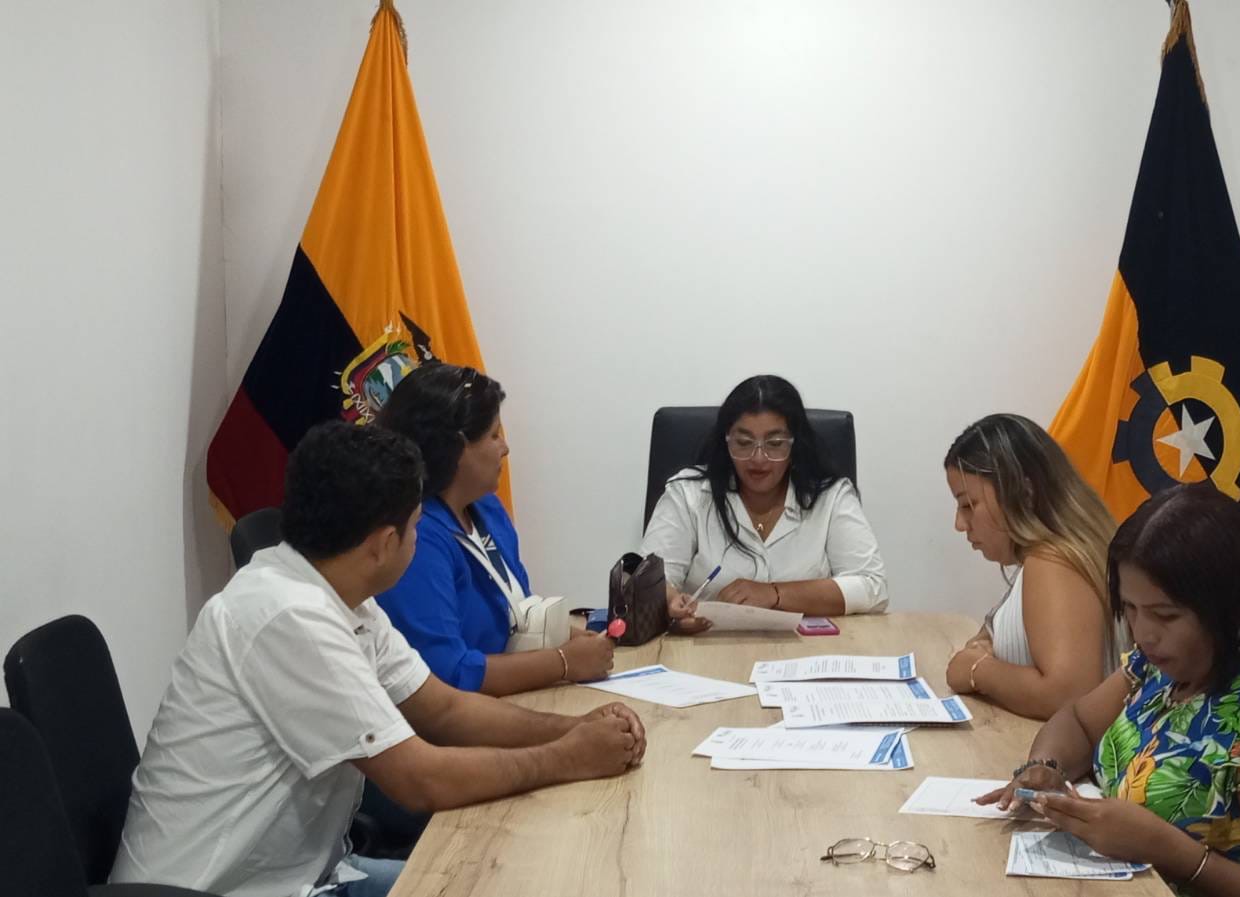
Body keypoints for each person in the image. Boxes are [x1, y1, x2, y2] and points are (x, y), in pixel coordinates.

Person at [110, 422, 646, 897]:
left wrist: (575, 729)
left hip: (309, 875)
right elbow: (420, 779)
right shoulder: (287, 615)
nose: (418, 540)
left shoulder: (340, 593)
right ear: (385, 543)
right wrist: (567, 757)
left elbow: (444, 709)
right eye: (415, 527)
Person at [978, 484, 1240, 897]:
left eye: (1165, 615)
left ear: (1228, 606)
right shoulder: (1157, 666)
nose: (1143, 634)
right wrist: (1047, 765)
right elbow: (1077, 722)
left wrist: (1173, 852)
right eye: (1131, 609)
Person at [375, 363, 614, 695]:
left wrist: (570, 639)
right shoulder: (417, 539)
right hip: (462, 716)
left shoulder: (487, 507)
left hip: (518, 698)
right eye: (493, 435)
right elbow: (446, 674)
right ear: (457, 448)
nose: (505, 447)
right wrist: (563, 661)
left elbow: (515, 618)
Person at [642, 374, 888, 632]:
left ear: (795, 444)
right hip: (705, 645)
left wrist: (775, 593)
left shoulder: (831, 497)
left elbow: (872, 587)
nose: (758, 458)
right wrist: (670, 602)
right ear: (726, 442)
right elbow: (647, 584)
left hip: (808, 649)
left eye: (775, 444)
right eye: (744, 443)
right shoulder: (688, 494)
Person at [941, 414, 1119, 720]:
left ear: (1023, 494)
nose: (960, 523)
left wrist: (976, 670)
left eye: (969, 505)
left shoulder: (1052, 562)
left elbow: (1068, 695)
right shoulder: (1048, 558)